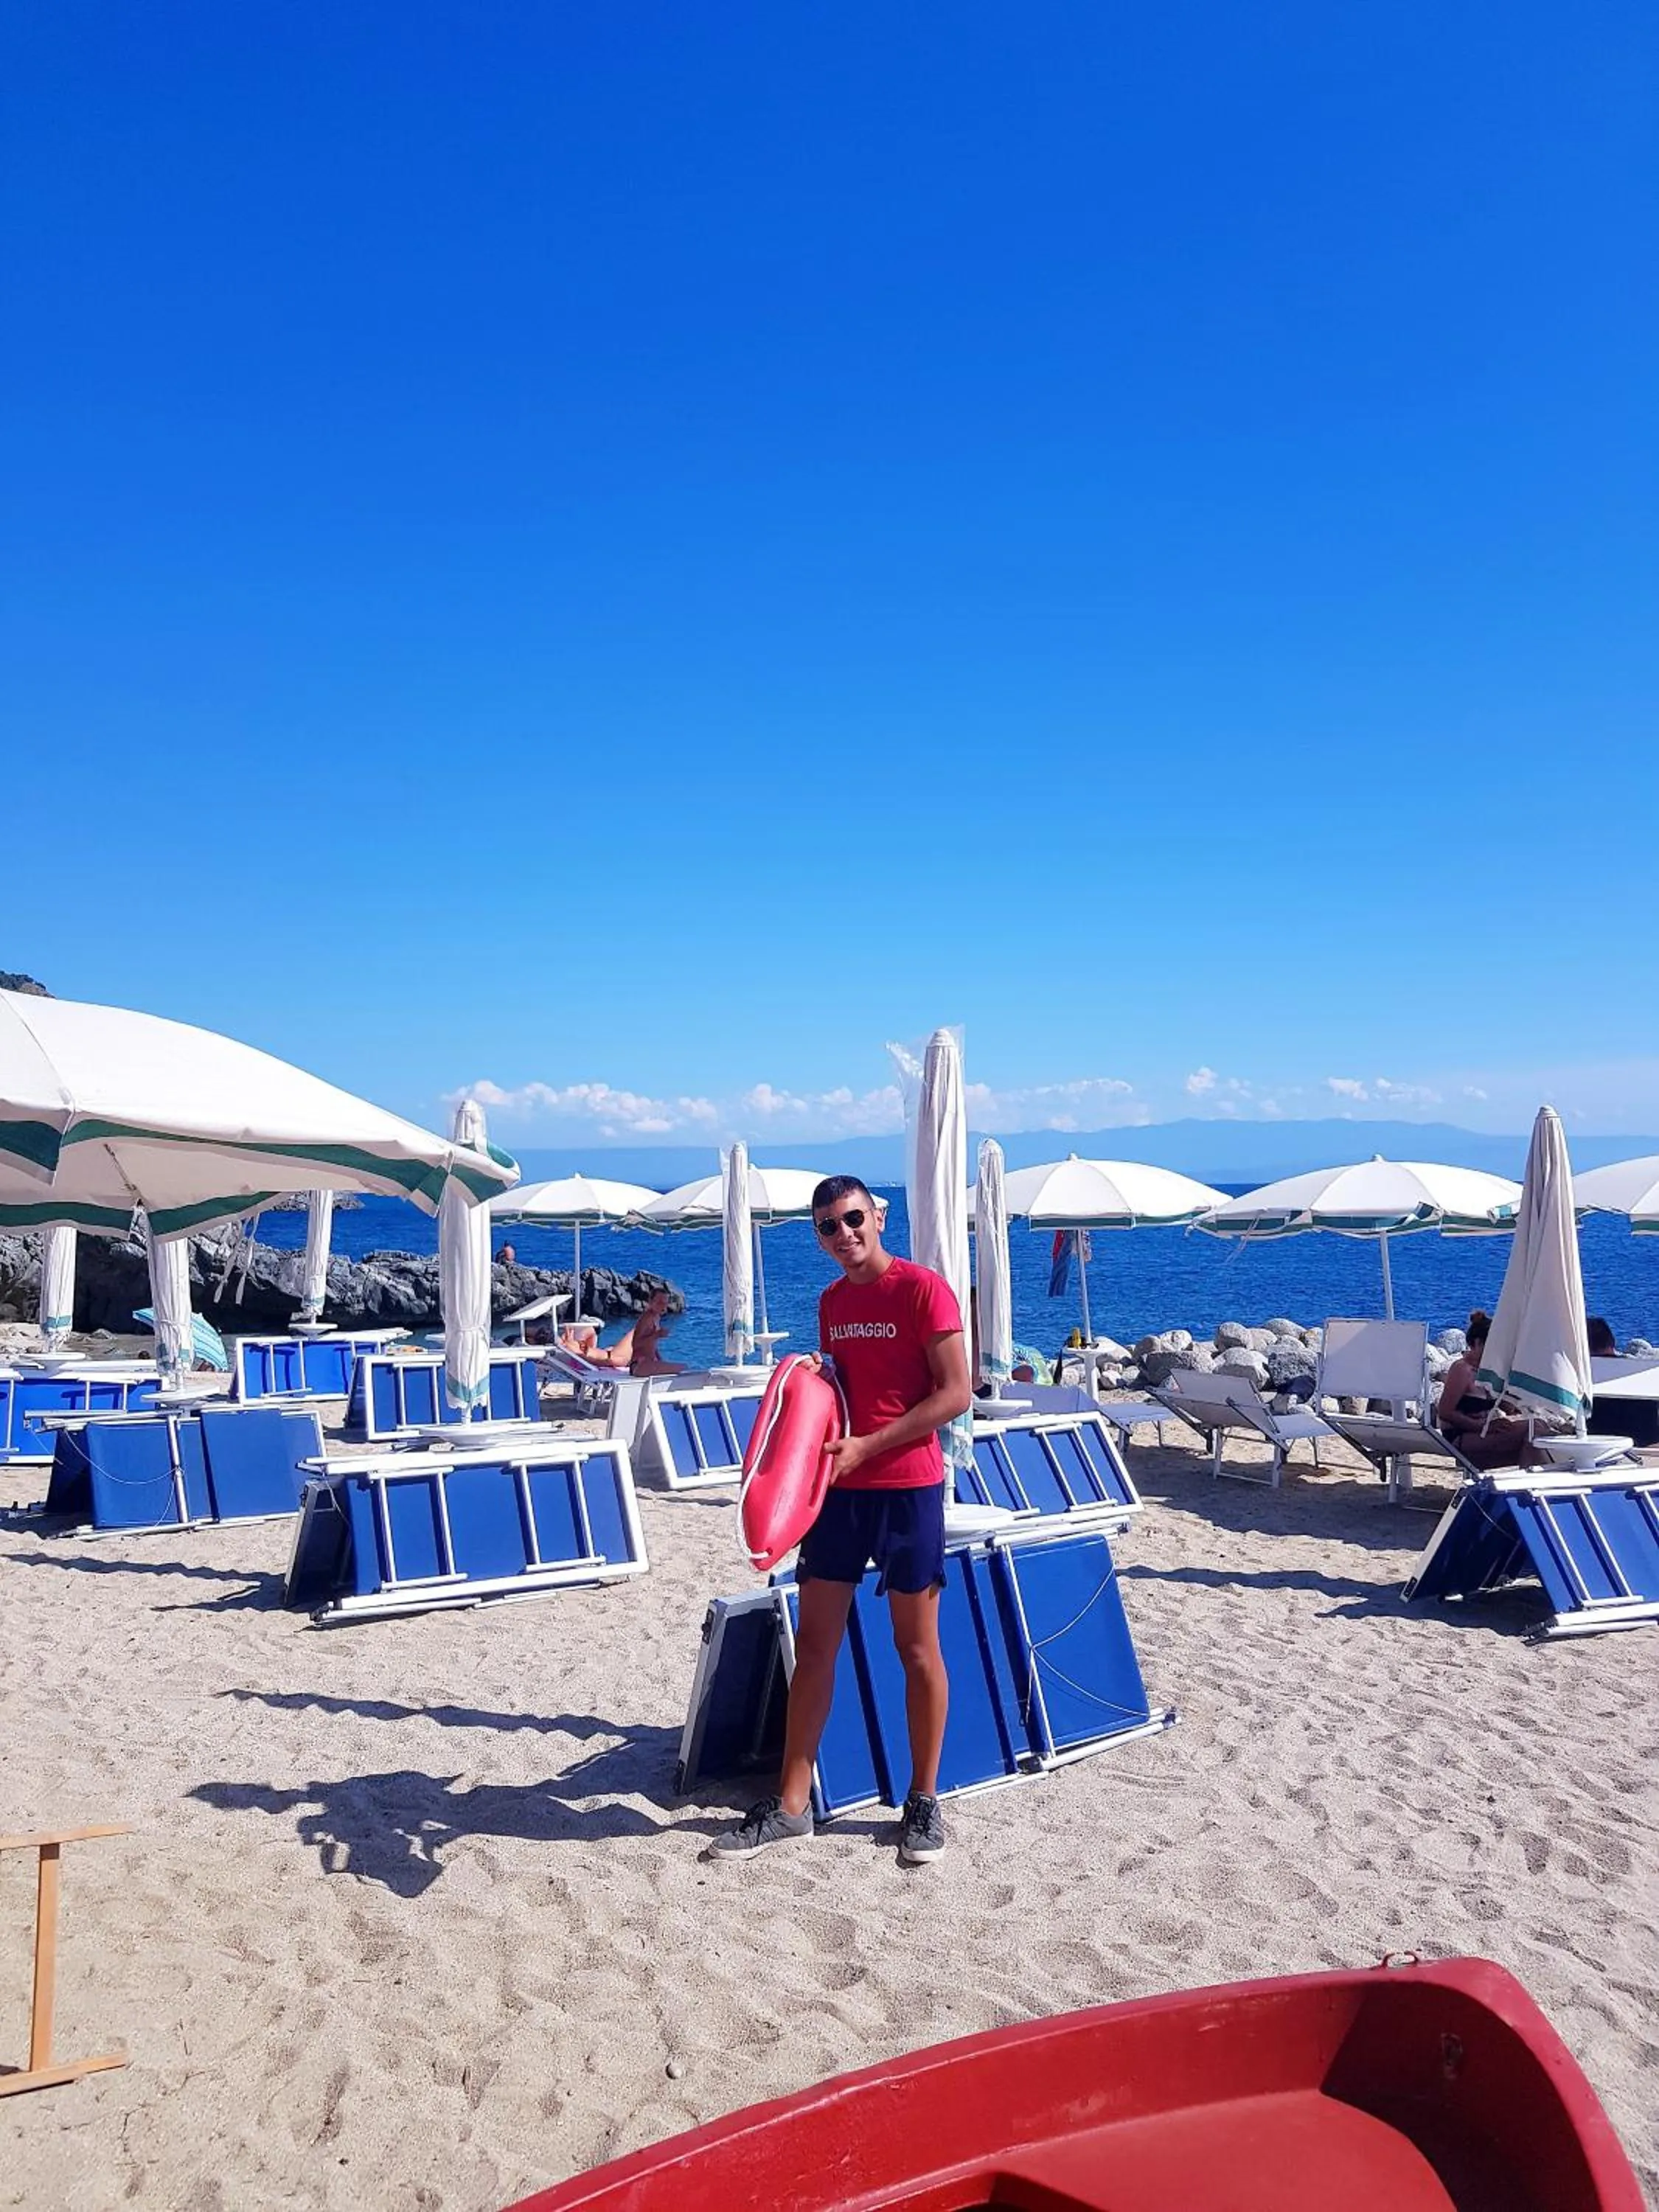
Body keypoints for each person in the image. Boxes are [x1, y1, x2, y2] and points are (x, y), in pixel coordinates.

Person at [712, 1175, 971, 1867]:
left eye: (852, 1218)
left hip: (907, 1490)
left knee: (916, 1649)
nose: (843, 1234)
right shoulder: (831, 1301)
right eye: (827, 1226)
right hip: (839, 1494)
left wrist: (870, 1446)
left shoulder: (923, 1290)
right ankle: (792, 1807)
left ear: (878, 1216)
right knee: (816, 1646)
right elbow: (841, 1395)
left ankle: (922, 1803)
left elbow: (957, 1392)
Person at [1436, 1310, 1536, 1469]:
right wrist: (1483, 1427)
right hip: (1462, 1436)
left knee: (1538, 1432)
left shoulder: (1489, 1371)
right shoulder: (1462, 1370)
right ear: (1477, 1343)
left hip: (1484, 1431)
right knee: (1534, 1432)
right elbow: (1445, 1412)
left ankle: (1528, 1482)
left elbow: (1509, 1408)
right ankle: (1527, 1485)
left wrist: (1511, 1378)